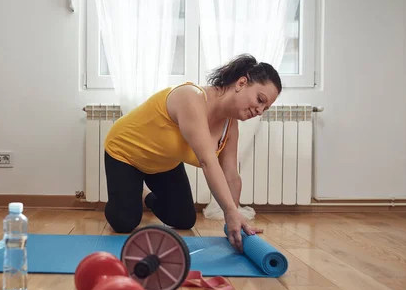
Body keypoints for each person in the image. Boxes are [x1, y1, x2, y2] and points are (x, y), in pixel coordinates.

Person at [103, 54, 282, 253]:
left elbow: (231, 174)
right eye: (260, 99)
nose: (259, 110)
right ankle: (126, 195)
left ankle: (143, 195)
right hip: (126, 152)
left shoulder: (230, 127)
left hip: (163, 162)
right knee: (124, 223)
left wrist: (234, 216)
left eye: (265, 108)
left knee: (184, 219)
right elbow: (207, 161)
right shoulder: (191, 97)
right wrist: (230, 212)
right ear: (241, 83)